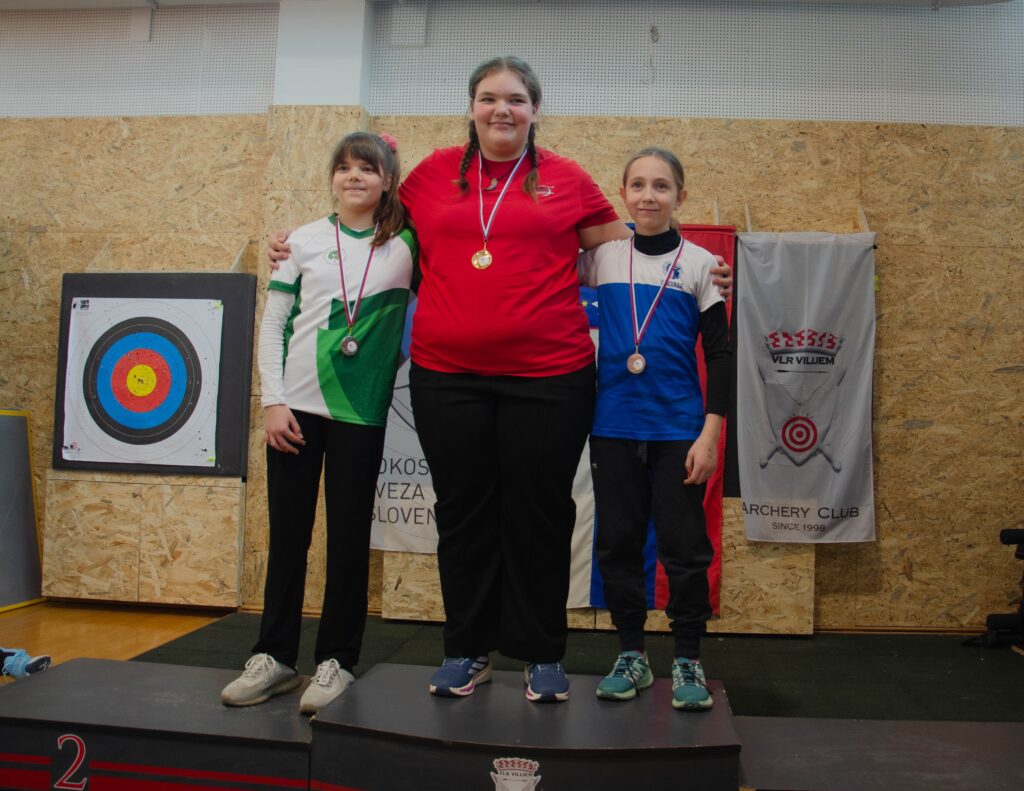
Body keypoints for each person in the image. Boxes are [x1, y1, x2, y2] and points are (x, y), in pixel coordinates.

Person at [269, 57, 733, 704]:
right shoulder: (431, 175)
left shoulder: (567, 178)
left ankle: (541, 654)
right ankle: (467, 649)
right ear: (471, 107)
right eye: (489, 98)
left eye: (515, 99)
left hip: (550, 378)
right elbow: (365, 223)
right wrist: (295, 244)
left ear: (535, 110)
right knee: (463, 513)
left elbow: (625, 248)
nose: (501, 109)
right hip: (447, 378)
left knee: (540, 514)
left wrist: (699, 265)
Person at [222, 132, 415, 715]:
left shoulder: (409, 244)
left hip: (361, 412)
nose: (354, 176)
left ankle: (337, 661)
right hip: (296, 411)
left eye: (368, 168)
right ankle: (274, 657)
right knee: (288, 537)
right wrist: (272, 402)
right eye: (345, 167)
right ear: (332, 177)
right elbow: (273, 322)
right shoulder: (302, 240)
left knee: (349, 541)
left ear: (387, 180)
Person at [579, 147, 729, 711]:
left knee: (684, 548)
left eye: (661, 186)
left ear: (680, 196)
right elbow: (539, 263)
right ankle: (631, 655)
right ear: (623, 194)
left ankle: (688, 658)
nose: (648, 196)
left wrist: (710, 434)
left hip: (679, 431)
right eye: (638, 185)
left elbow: (720, 354)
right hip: (613, 426)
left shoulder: (703, 265)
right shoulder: (602, 259)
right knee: (618, 543)